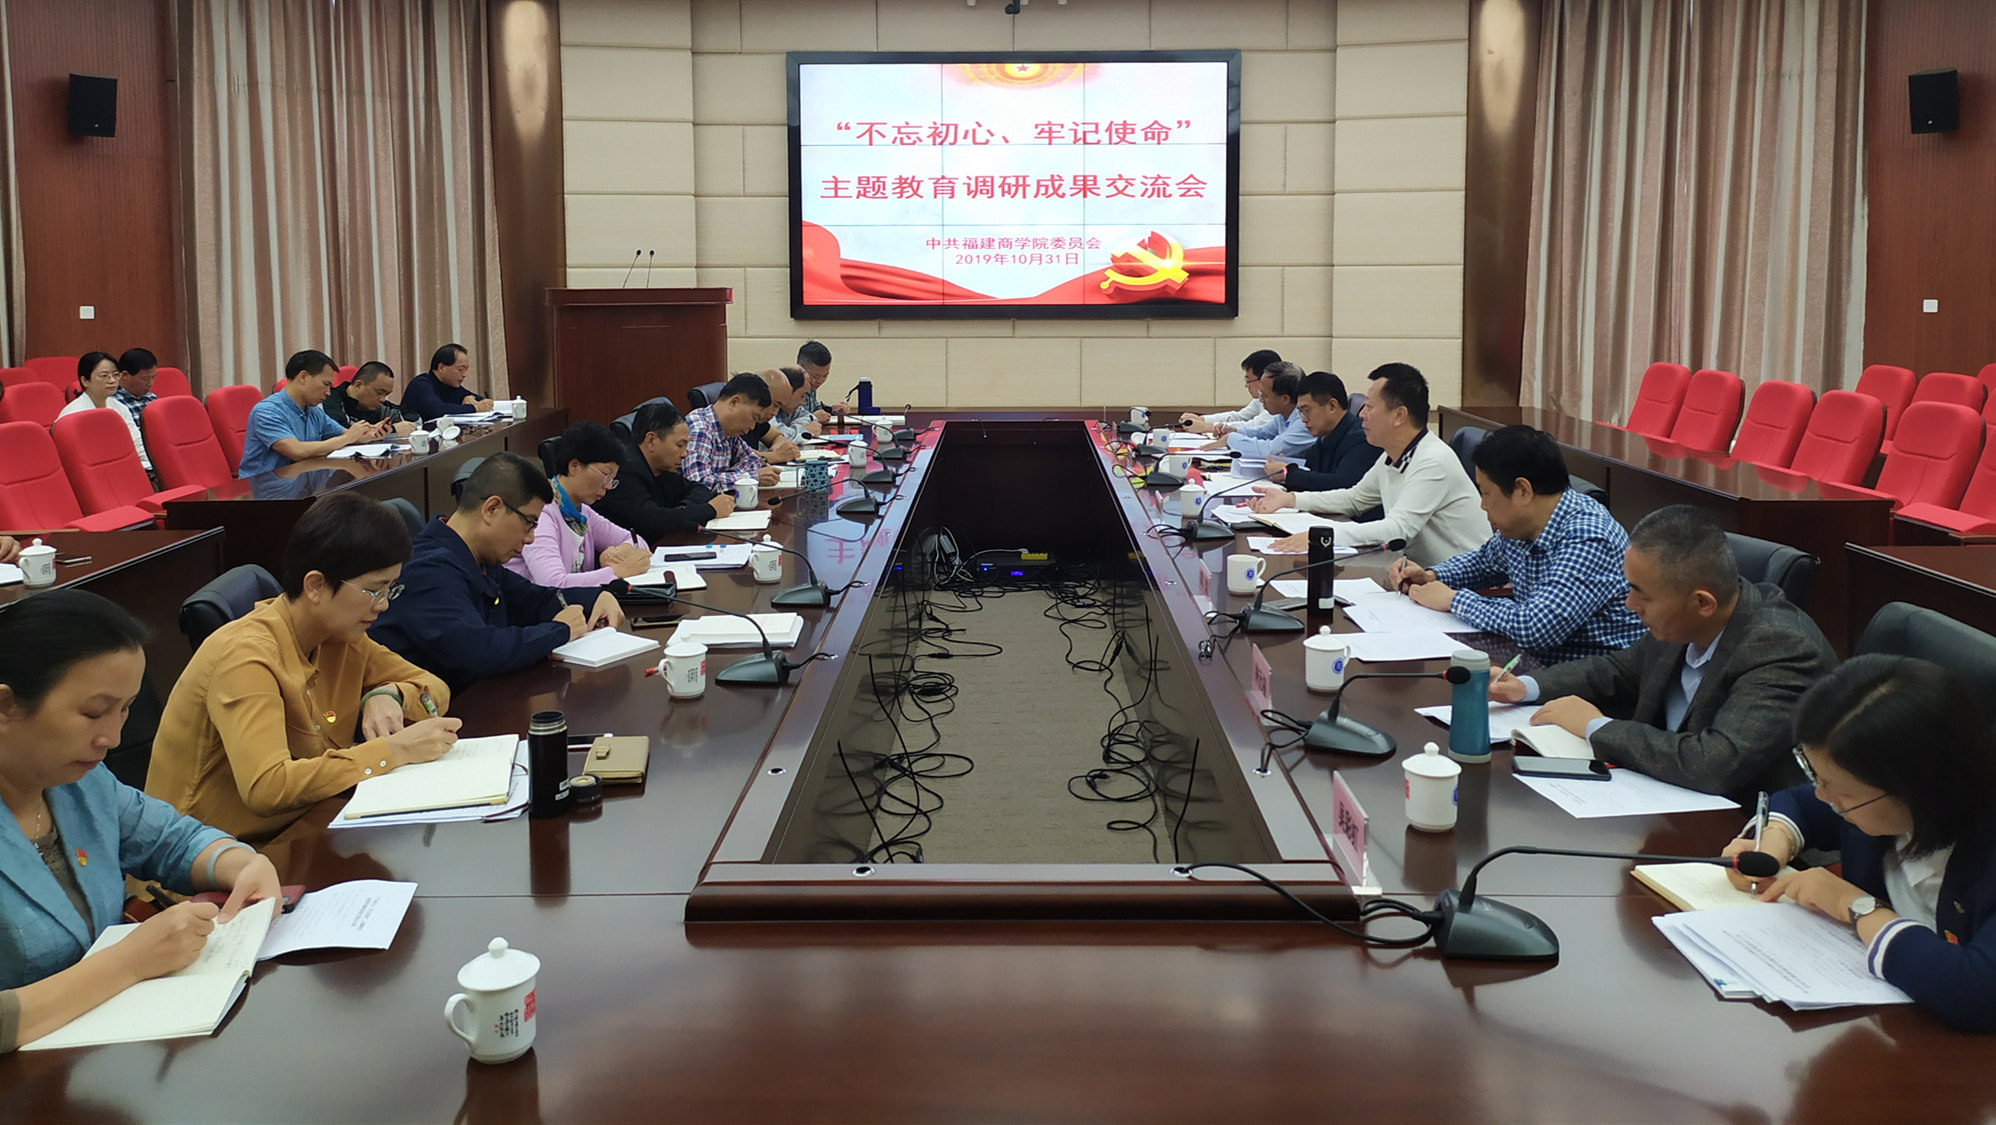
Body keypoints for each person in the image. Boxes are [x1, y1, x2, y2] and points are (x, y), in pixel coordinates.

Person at [0, 589, 283, 1052]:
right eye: (93, 713)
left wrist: (240, 862)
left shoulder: (78, 782)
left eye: (125, 708)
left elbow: (171, 840)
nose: (112, 737)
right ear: (6, 706)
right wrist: (127, 962)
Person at [145, 493, 461, 839]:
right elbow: (267, 787)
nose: (383, 605)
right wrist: (393, 751)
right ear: (315, 585)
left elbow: (434, 687)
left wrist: (390, 694)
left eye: (390, 590)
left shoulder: (342, 636)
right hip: (211, 854)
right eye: (374, 591)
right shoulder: (245, 656)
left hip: (305, 826)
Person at [1717, 655, 1996, 1032]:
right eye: (1816, 776)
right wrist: (1772, 843)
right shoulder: (1872, 798)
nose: (1823, 795)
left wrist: (1855, 906)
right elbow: (1799, 803)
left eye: (1839, 792)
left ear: (1918, 789)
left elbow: (1976, 992)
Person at [1490, 504, 1836, 797]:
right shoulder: (1682, 620)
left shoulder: (1781, 648)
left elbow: (1714, 764)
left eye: (1641, 594)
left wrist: (1596, 726)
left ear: (1702, 603)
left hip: (1739, 825)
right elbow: (1617, 670)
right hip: (1663, 796)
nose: (1630, 604)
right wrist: (1525, 686)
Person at [370, 452, 626, 691]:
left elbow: (534, 599)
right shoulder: (427, 571)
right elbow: (480, 651)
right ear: (492, 509)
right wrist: (561, 629)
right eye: (529, 523)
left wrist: (596, 597)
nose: (530, 538)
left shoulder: (479, 558)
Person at [1390, 424, 1645, 664]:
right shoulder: (1524, 524)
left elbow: (1537, 627)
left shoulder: (1588, 537)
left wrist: (1454, 600)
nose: (1482, 505)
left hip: (1590, 680)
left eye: (1486, 492)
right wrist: (1431, 575)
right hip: (1535, 665)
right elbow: (1483, 562)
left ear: (1523, 490)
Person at [1248, 363, 1489, 566]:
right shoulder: (1392, 454)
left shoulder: (1432, 461)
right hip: (1417, 574)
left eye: (1370, 407)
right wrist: (1290, 499)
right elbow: (1354, 499)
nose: (1361, 414)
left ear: (1399, 415)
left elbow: (1397, 529)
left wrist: (1324, 535)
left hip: (1465, 585)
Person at [506, 421, 652, 590]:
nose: (608, 486)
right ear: (574, 466)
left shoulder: (581, 512)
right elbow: (553, 584)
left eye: (612, 480)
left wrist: (617, 554)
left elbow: (637, 541)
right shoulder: (541, 514)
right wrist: (617, 571)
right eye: (605, 475)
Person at [237, 350, 391, 477]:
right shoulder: (267, 411)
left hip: (303, 485)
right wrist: (347, 438)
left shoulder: (314, 411)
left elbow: (344, 434)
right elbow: (296, 451)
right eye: (326, 384)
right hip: (266, 494)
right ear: (304, 377)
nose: (328, 393)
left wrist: (367, 435)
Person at [593, 401, 735, 538]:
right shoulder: (623, 471)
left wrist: (683, 511)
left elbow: (699, 489)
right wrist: (709, 510)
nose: (685, 454)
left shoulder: (662, 467)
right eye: (680, 445)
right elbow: (652, 521)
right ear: (651, 440)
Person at [1265, 371, 1380, 492]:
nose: (1303, 419)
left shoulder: (1361, 438)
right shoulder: (1325, 436)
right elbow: (1311, 469)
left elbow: (1343, 484)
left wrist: (1288, 474)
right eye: (1301, 412)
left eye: (1307, 411)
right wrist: (1287, 463)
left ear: (1332, 406)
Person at [683, 373, 780, 495]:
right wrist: (750, 477)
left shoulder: (728, 432)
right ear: (734, 402)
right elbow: (699, 483)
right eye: (754, 417)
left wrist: (732, 477)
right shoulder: (700, 429)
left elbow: (753, 459)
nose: (752, 427)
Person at [1205, 362, 1313, 461]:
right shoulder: (1283, 415)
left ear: (1285, 399)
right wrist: (1234, 430)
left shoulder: (1305, 421)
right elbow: (1263, 433)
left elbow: (1271, 450)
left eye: (1264, 395)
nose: (1261, 400)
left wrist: (1231, 438)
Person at [1180, 348, 1281, 435]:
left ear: (1263, 378)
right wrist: (1202, 419)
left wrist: (1208, 427)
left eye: (1248, 380)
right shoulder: (1260, 399)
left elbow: (1256, 427)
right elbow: (1239, 416)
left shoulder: (1278, 400)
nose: (1246, 385)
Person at [402, 343, 496, 420]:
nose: (464, 374)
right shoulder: (421, 384)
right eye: (460, 369)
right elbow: (437, 410)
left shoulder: (451, 385)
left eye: (466, 370)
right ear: (442, 367)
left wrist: (469, 397)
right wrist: (475, 408)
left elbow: (479, 399)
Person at [323, 362, 419, 434]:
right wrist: (391, 430)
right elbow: (341, 433)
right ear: (358, 385)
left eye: (386, 394)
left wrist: (403, 427)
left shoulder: (380, 407)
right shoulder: (329, 400)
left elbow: (415, 420)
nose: (382, 399)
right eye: (379, 392)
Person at [109, 348, 161, 473]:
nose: (150, 383)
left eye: (153, 377)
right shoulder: (112, 403)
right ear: (125, 376)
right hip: (139, 464)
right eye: (145, 379)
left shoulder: (152, 398)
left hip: (161, 456)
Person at [747, 369, 803, 464]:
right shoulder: (736, 420)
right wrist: (775, 456)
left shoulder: (758, 420)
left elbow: (776, 436)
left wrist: (776, 450)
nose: (775, 413)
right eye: (775, 405)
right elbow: (739, 456)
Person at [53, 352, 121, 426]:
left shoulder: (120, 408)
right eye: (104, 375)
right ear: (85, 381)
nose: (112, 380)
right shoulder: (72, 413)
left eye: (115, 374)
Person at [797, 341, 848, 422]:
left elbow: (814, 407)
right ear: (801, 367)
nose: (820, 381)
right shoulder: (789, 389)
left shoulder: (811, 385)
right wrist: (812, 418)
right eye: (815, 376)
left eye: (825, 376)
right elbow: (784, 424)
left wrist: (832, 409)